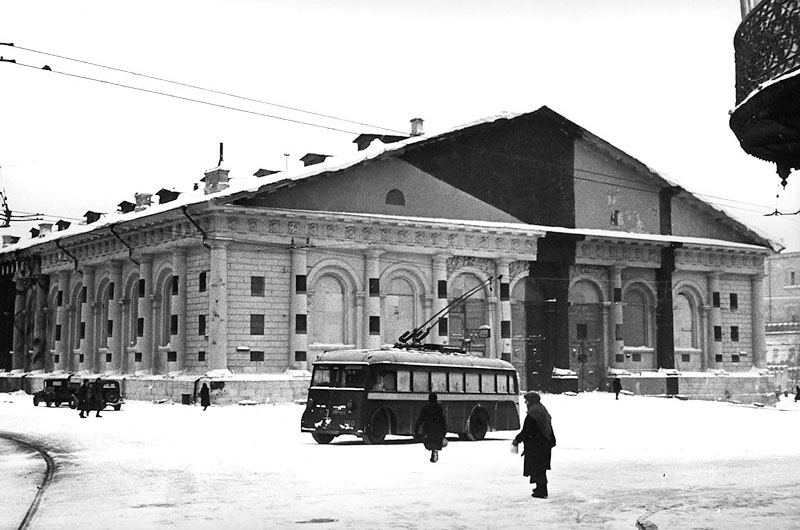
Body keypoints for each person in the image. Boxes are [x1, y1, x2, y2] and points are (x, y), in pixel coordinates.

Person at [512, 391, 556, 498]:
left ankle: (542, 491)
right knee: (540, 468)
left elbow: (527, 430)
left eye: (526, 401)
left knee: (538, 468)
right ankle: (540, 488)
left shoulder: (534, 413)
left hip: (537, 446)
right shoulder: (541, 409)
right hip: (543, 444)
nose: (525, 403)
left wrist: (517, 440)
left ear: (531, 401)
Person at [414, 393, 448, 463]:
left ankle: (433, 451)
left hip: (427, 429)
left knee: (429, 442)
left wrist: (416, 429)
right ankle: (435, 451)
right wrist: (444, 430)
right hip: (438, 430)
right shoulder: (439, 408)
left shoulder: (426, 408)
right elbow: (443, 420)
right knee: (437, 442)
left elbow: (420, 419)